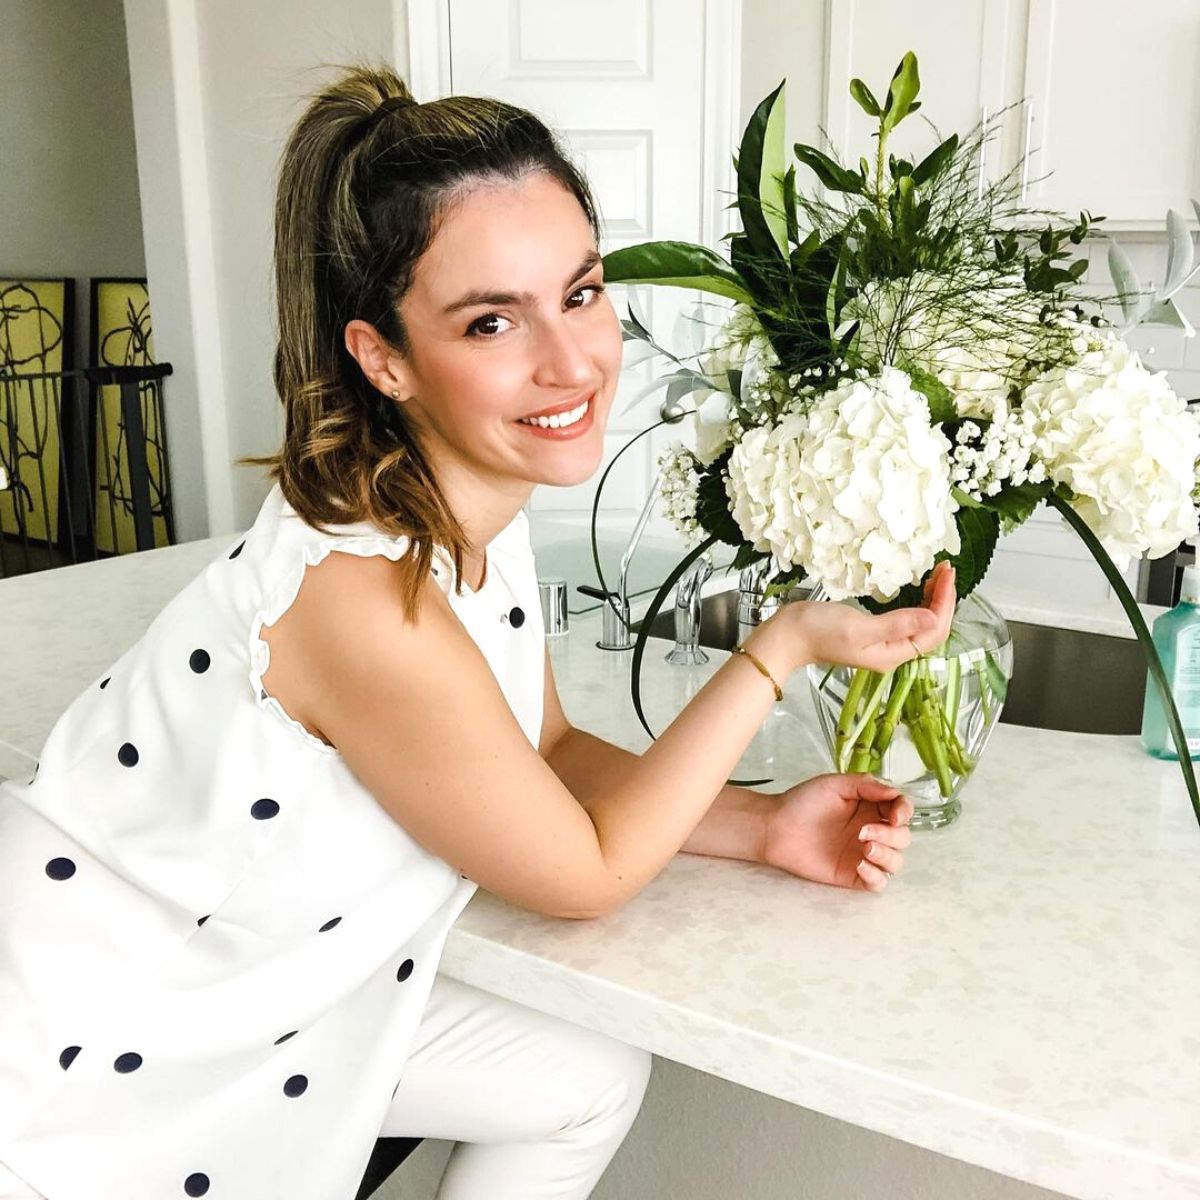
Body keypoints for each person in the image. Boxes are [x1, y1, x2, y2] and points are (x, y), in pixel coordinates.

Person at [0, 64, 954, 1200]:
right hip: (96, 1045)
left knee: (581, 1073)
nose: (571, 361)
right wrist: (779, 648)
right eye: (493, 320)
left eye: (583, 292)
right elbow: (585, 872)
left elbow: (541, 752)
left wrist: (757, 827)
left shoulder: (461, 517)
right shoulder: (363, 598)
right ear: (383, 357)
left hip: (250, 990)